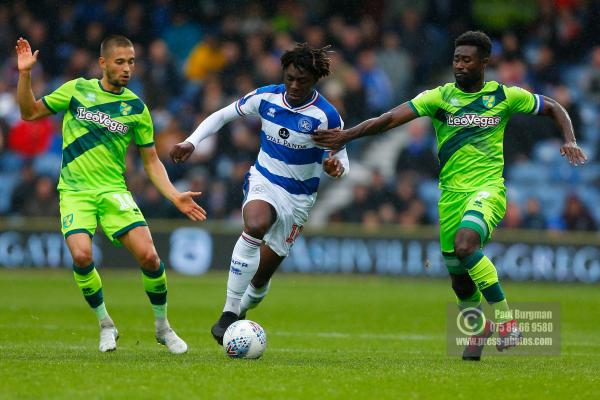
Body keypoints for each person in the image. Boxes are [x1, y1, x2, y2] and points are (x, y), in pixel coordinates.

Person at [314, 31, 587, 361]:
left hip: (487, 190)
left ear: (484, 63)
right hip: (450, 197)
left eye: (466, 60)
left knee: (466, 245)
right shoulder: (440, 97)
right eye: (456, 59)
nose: (459, 65)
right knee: (459, 279)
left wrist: (570, 139)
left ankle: (507, 323)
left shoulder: (504, 96)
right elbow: (389, 118)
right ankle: (477, 331)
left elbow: (554, 106)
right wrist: (348, 135)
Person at [15, 35, 206, 353]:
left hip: (113, 190)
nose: (127, 68)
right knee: (81, 255)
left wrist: (173, 195)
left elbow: (151, 160)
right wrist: (25, 74)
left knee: (149, 257)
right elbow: (29, 113)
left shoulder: (136, 107)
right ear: (103, 63)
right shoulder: (77, 89)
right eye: (120, 61)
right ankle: (105, 324)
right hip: (76, 190)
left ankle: (163, 327)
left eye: (131, 61)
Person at [170, 43, 349, 345]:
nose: (293, 85)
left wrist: (336, 166)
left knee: (260, 279)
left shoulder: (326, 116)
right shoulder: (266, 96)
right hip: (264, 180)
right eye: (289, 77)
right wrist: (191, 141)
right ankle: (228, 313)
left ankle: (242, 309)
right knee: (254, 225)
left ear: (315, 80)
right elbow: (223, 115)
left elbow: (342, 157)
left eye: (301, 81)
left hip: (298, 199)